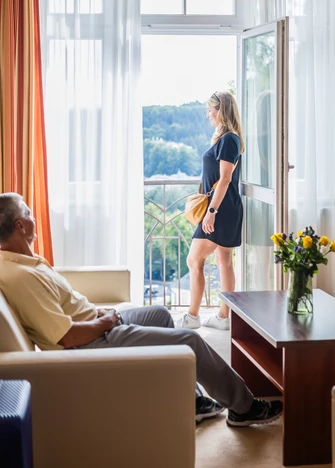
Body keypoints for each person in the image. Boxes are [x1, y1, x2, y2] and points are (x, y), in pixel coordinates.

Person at [0, 193, 283, 427]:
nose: (34, 217)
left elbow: (64, 305)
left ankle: (193, 401)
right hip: (89, 343)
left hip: (95, 324)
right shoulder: (21, 277)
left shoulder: (26, 262)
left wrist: (99, 311)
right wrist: (106, 322)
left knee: (160, 314)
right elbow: (67, 337)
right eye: (29, 213)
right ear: (20, 225)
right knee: (191, 340)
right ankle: (244, 408)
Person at [177, 91, 244, 330]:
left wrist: (211, 212)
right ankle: (223, 318)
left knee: (194, 260)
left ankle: (192, 316)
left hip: (221, 210)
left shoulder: (228, 140)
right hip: (227, 207)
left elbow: (225, 179)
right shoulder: (230, 139)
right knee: (224, 260)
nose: (207, 115)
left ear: (220, 110)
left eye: (210, 110)